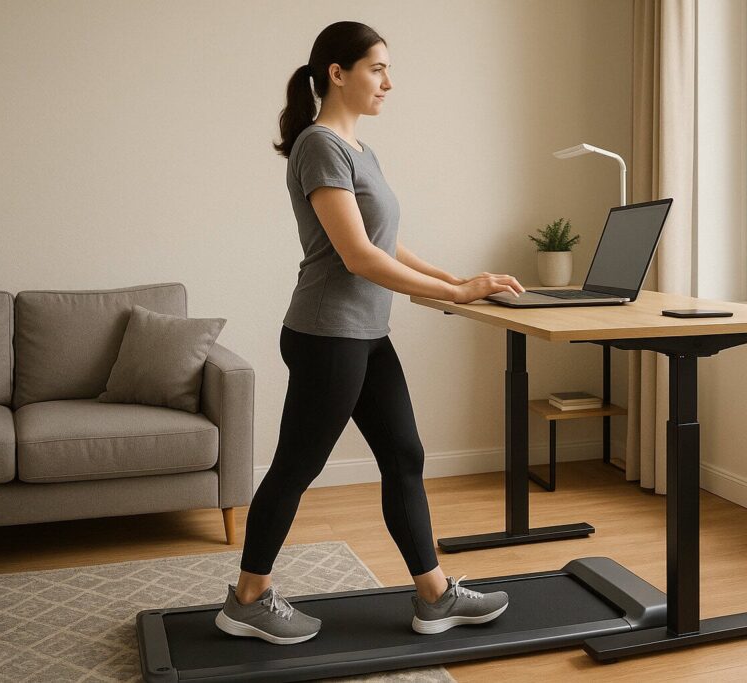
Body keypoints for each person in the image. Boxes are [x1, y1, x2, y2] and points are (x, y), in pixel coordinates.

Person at [214, 21, 525, 645]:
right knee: (296, 466)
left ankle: (434, 594)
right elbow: (357, 255)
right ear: (338, 73)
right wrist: (454, 293)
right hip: (328, 333)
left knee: (404, 455)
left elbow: (386, 240)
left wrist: (455, 277)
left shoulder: (360, 151)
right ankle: (248, 596)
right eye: (378, 67)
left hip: (363, 333)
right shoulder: (319, 145)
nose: (389, 81)